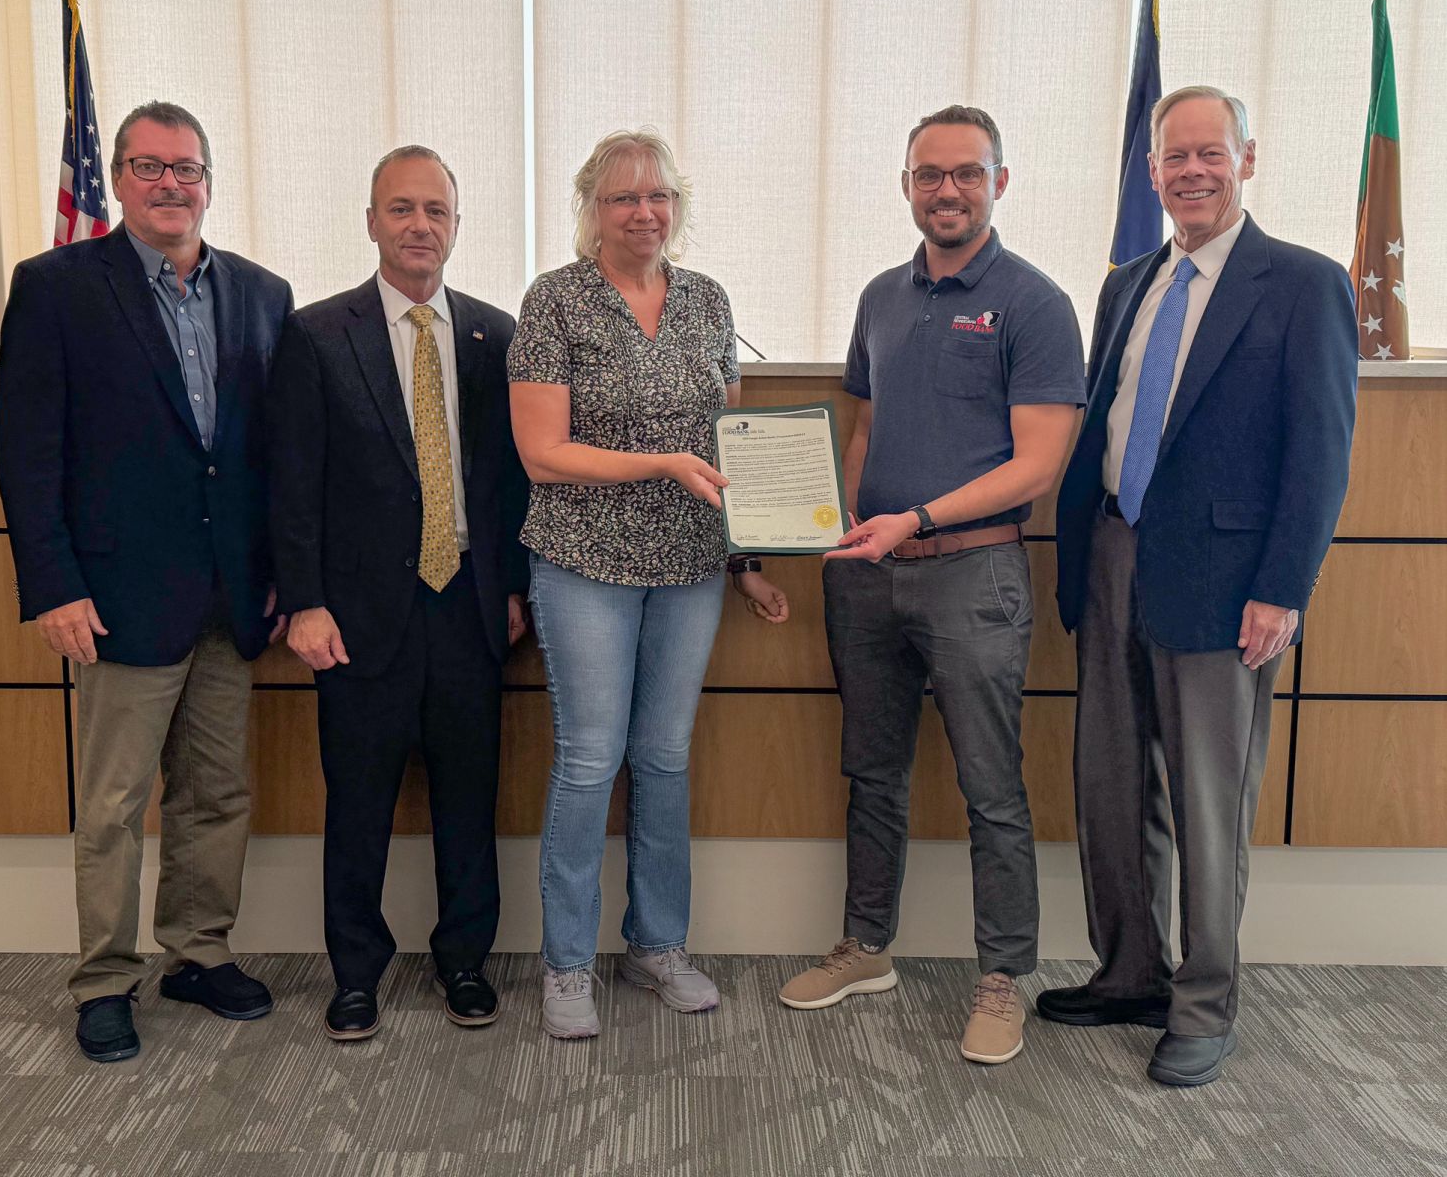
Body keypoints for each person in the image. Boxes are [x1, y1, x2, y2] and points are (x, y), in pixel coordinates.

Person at [1039, 87, 1357, 1086]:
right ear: (1152, 173)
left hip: (1227, 588)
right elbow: (1111, 417)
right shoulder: (1129, 281)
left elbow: (1321, 453)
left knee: (1210, 803)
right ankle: (1131, 969)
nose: (1191, 171)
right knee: (1111, 785)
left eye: (1209, 153)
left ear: (1246, 160)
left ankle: (1205, 1003)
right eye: (1173, 157)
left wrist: (1284, 585)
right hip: (1114, 557)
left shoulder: (1303, 284)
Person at [777, 106, 1085, 1067]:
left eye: (966, 174)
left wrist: (920, 518)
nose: (945, 191)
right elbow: (860, 431)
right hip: (867, 580)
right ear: (905, 184)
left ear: (1000, 181)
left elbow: (1038, 463)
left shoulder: (1034, 304)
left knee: (992, 786)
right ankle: (865, 947)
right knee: (871, 773)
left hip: (975, 576)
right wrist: (828, 525)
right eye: (927, 175)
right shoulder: (879, 296)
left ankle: (1003, 980)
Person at [0, 101, 293, 1062]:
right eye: (150, 166)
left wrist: (283, 572)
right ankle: (104, 980)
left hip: (232, 594)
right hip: (117, 594)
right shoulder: (56, 287)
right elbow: (28, 453)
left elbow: (272, 456)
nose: (172, 185)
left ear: (211, 182)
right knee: (115, 803)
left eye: (188, 169)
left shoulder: (261, 293)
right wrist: (52, 584)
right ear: (118, 179)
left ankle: (198, 952)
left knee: (216, 792)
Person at [508, 130, 788, 1040]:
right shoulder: (554, 302)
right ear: (591, 206)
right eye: (623, 197)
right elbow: (542, 456)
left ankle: (657, 945)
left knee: (664, 760)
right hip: (582, 561)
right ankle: (564, 965)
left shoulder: (707, 300)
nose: (643, 212)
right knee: (591, 759)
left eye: (658, 196)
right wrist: (661, 461)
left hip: (690, 567)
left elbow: (728, 448)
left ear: (678, 204)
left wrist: (745, 560)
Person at [266, 146, 529, 1041]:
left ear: (457, 225)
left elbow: (509, 484)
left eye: (437, 212)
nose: (421, 226)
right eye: (402, 209)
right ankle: (355, 975)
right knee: (359, 804)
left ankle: (464, 962)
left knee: (468, 799)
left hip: (468, 603)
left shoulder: (496, 334)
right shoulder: (314, 335)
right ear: (372, 220)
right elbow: (291, 484)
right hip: (355, 614)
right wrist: (303, 600)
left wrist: (514, 589)